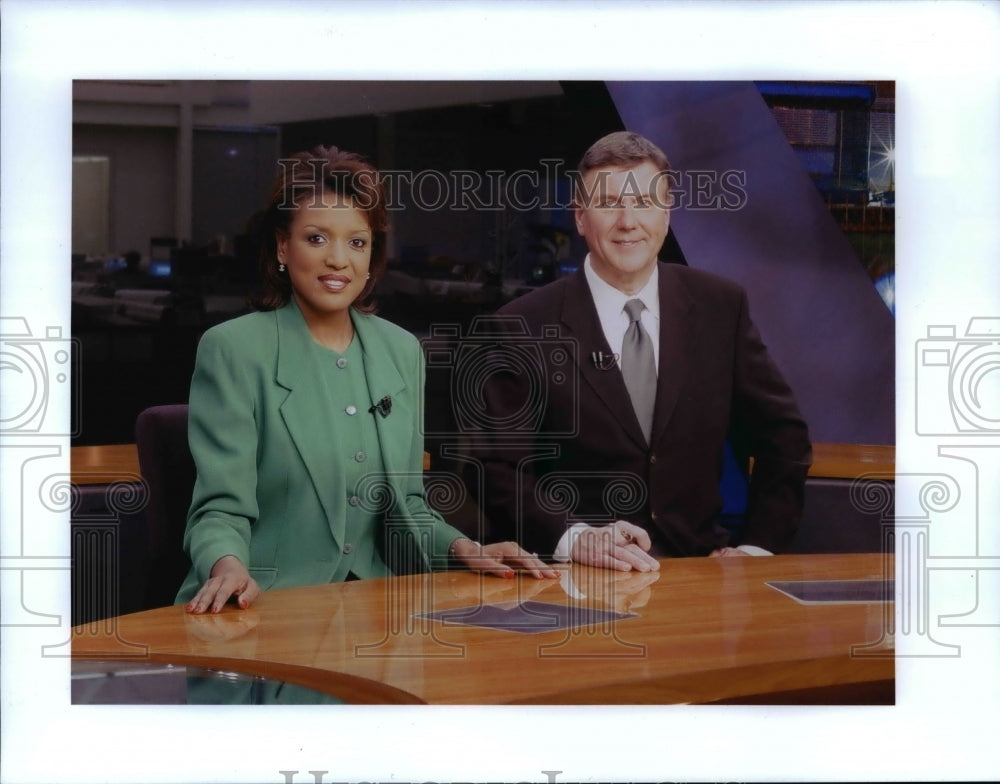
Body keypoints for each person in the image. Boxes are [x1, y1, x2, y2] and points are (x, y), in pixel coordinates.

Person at [176, 145, 556, 615]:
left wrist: (465, 549)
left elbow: (409, 508)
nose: (339, 260)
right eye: (317, 239)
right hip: (265, 608)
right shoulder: (233, 349)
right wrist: (227, 565)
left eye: (357, 242)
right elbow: (220, 509)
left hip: (382, 608)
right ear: (281, 246)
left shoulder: (400, 351)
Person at [480, 131, 812, 572]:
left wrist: (754, 550)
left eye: (644, 203)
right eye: (609, 203)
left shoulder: (720, 306)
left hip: (699, 575)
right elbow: (495, 469)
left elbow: (784, 440)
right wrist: (575, 539)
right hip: (575, 583)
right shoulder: (520, 326)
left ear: (667, 214)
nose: (627, 220)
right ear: (580, 217)